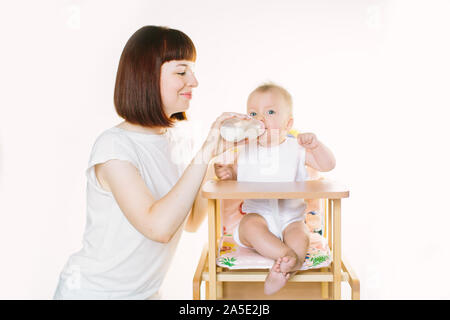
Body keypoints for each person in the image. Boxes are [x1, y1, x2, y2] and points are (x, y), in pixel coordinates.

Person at [54, 25, 249, 300]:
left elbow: (190, 220)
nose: (193, 81)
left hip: (145, 294)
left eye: (192, 71)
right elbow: (158, 228)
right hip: (92, 294)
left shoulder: (177, 138)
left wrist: (212, 161)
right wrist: (205, 150)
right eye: (181, 71)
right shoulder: (114, 146)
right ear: (145, 76)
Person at [214, 83, 336, 295]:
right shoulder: (245, 151)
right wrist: (227, 174)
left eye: (270, 112)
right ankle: (288, 257)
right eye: (253, 114)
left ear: (288, 123)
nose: (260, 119)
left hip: (292, 219)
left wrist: (316, 147)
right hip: (258, 215)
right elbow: (235, 175)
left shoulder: (297, 149)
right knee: (249, 227)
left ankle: (283, 268)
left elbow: (327, 165)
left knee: (301, 236)